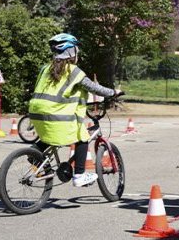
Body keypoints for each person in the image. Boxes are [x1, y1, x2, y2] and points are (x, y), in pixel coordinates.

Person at [29, 33, 121, 187]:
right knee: (82, 137)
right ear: (72, 52)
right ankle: (79, 175)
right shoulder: (73, 71)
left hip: (36, 113)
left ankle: (33, 153)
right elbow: (94, 88)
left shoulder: (45, 68)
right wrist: (113, 92)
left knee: (49, 137)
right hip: (57, 115)